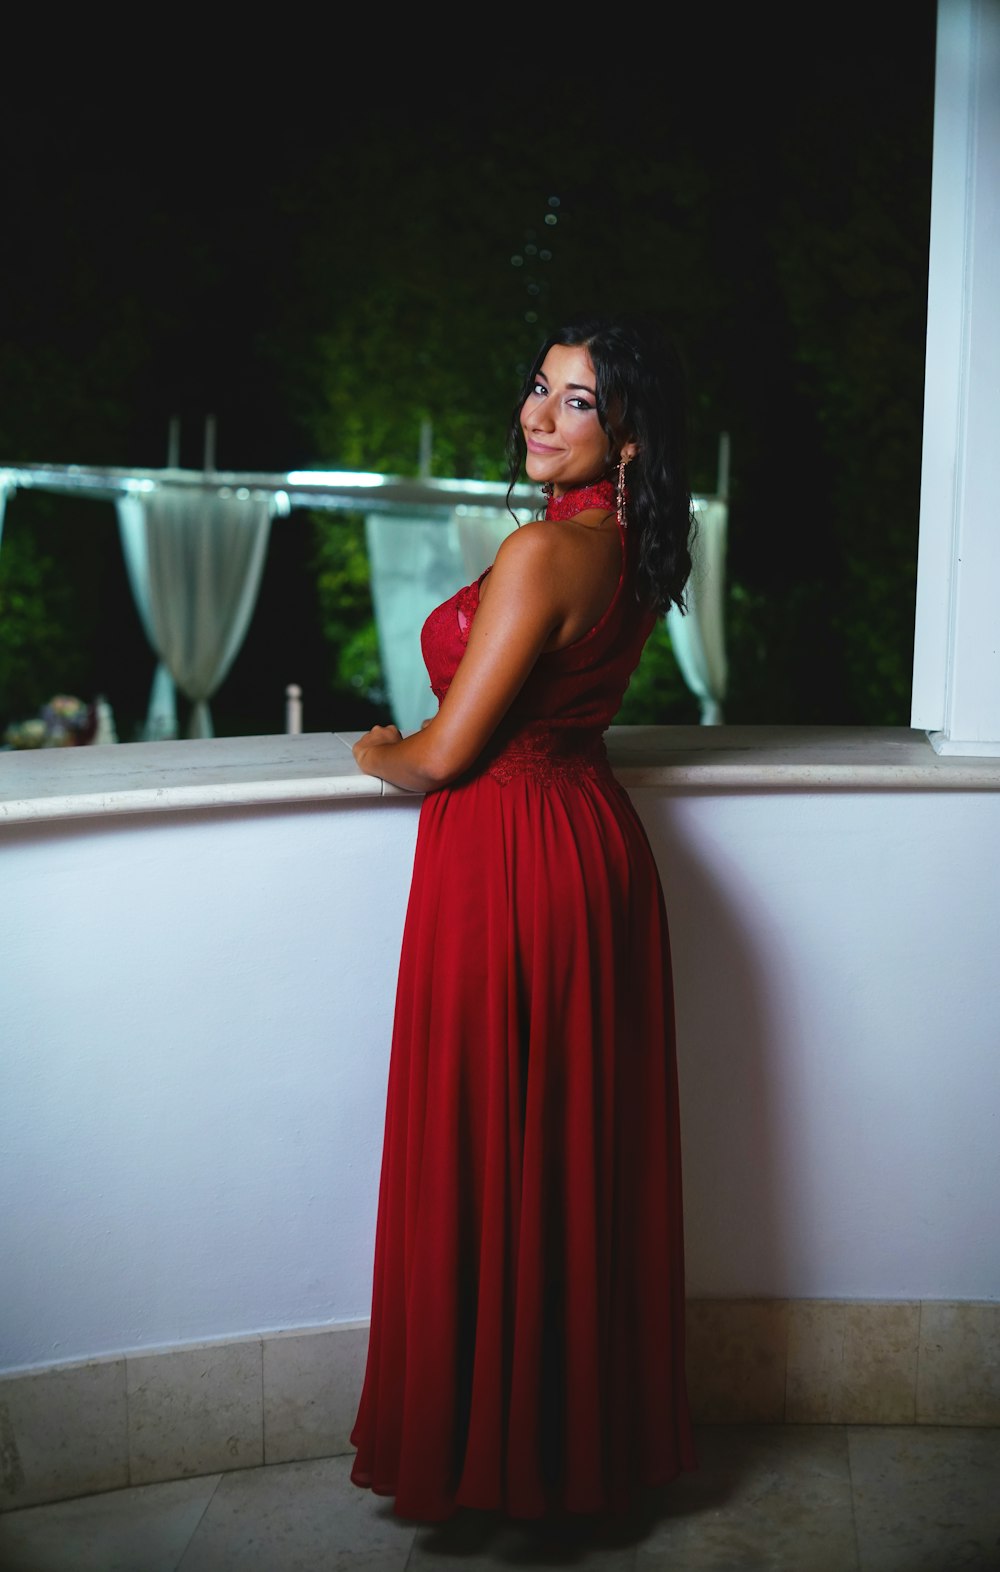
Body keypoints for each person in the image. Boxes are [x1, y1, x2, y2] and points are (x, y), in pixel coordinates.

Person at [349, 311, 698, 1523]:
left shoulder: (541, 556)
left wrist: (374, 748)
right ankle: (567, 1451)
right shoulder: (625, 552)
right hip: (587, 847)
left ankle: (492, 1460)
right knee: (563, 1155)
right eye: (539, 391)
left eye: (578, 402)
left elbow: (447, 756)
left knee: (493, 1144)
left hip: (507, 860)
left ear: (630, 435)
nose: (539, 418)